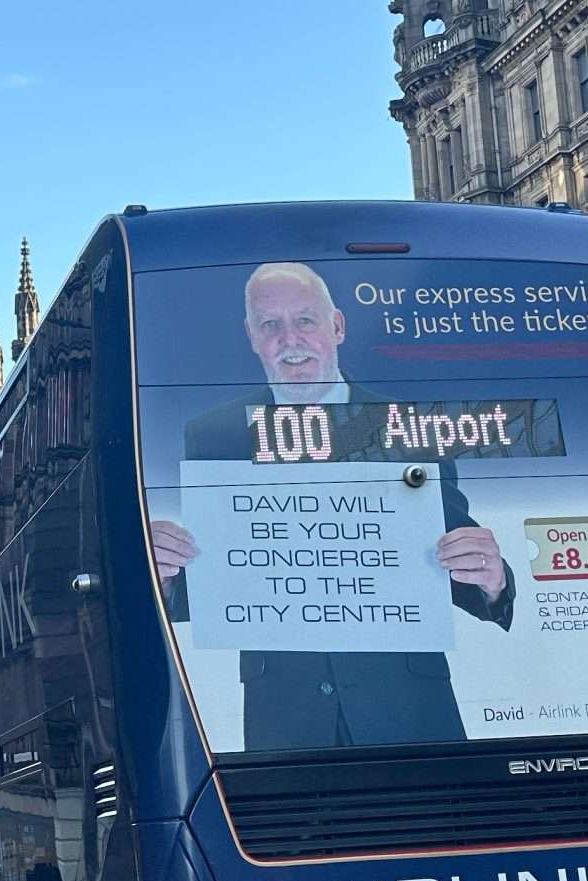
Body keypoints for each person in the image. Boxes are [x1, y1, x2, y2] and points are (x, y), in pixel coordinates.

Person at [147, 261, 516, 751]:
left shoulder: (408, 426)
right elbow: (225, 580)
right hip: (287, 720)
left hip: (408, 715)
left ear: (337, 327)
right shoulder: (214, 434)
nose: (289, 339)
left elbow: (452, 565)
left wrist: (494, 581)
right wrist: (164, 576)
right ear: (251, 337)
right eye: (270, 325)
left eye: (305, 320)